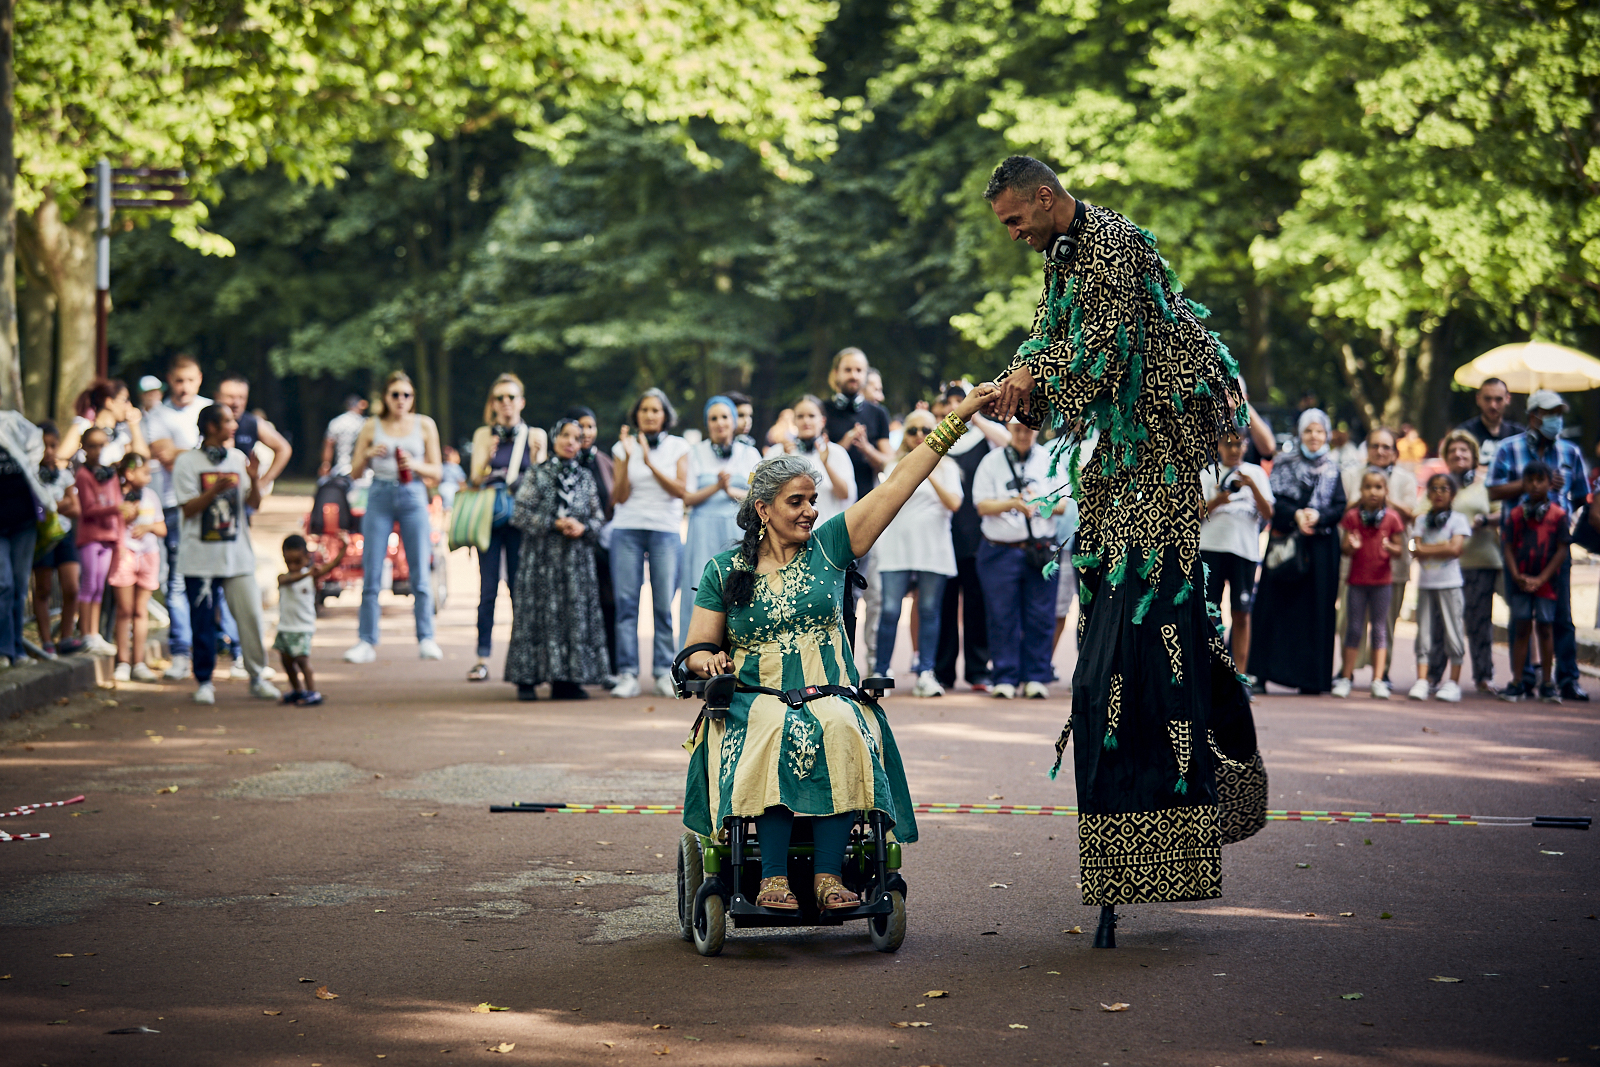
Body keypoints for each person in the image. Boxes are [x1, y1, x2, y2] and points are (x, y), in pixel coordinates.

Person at [983, 156, 1268, 945]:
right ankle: (1146, 844)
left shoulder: (1112, 243)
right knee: (1110, 651)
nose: (1013, 235)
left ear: (1045, 198)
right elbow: (1052, 336)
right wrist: (1016, 376)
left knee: (1148, 646)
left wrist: (1029, 395)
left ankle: (1210, 779)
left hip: (1163, 458)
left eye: (1014, 219)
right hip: (1117, 463)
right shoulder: (1064, 253)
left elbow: (1099, 356)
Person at [679, 384, 999, 912]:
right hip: (754, 696)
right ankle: (772, 879)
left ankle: (830, 877)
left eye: (813, 502)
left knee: (843, 725)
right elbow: (695, 648)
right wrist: (706, 658)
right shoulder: (723, 570)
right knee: (774, 728)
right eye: (796, 502)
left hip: (829, 691)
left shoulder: (830, 547)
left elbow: (897, 482)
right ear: (763, 509)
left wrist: (959, 417)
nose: (809, 512)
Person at [173, 404, 280, 704]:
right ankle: (204, 682)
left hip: (238, 557)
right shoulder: (187, 463)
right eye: (227, 421)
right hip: (200, 559)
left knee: (251, 618)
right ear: (210, 427)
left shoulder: (237, 459)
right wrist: (213, 492)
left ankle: (258, 676)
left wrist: (256, 477)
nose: (235, 425)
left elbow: (253, 505)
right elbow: (187, 508)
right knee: (203, 623)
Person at [1488, 389, 1588, 701]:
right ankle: (1523, 678)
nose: (1556, 420)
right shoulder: (1509, 448)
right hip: (1517, 545)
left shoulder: (1570, 453)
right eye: (1550, 414)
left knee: (1560, 615)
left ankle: (1566, 679)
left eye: (1560, 413)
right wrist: (1536, 482)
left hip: (1555, 546)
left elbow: (1583, 495)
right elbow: (1493, 491)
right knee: (1520, 617)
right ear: (1534, 417)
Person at [343, 371, 444, 663]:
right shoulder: (372, 426)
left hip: (413, 494)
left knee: (420, 573)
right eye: (395, 394)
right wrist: (368, 454)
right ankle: (366, 640)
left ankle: (426, 638)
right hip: (379, 494)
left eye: (406, 395)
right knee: (372, 570)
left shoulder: (424, 424)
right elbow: (354, 472)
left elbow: (437, 472)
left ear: (413, 398)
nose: (401, 400)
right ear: (386, 398)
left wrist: (414, 464)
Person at [505, 419, 609, 700]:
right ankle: (527, 679)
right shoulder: (537, 474)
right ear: (555, 439)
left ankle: (566, 680)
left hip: (575, 562)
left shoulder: (585, 478)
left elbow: (599, 517)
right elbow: (520, 514)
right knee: (535, 616)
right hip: (540, 560)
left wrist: (583, 527)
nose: (571, 442)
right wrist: (554, 522)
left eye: (577, 437)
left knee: (571, 618)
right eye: (565, 435)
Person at [1251, 409, 1348, 694]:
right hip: (1286, 544)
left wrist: (1317, 516)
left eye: (1319, 431)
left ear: (1327, 434)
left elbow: (1339, 506)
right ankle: (1262, 673)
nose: (1314, 436)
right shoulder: (1283, 463)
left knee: (1317, 612)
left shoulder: (1333, 467)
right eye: (1308, 431)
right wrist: (1295, 515)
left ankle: (1312, 679)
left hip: (1320, 550)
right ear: (1300, 434)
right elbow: (1273, 502)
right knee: (1273, 607)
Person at [872, 409, 963, 696]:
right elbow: (882, 503)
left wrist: (930, 470)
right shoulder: (892, 465)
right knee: (889, 610)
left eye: (926, 429)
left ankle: (926, 672)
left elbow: (954, 504)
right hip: (896, 546)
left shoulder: (948, 467)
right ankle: (881, 671)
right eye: (912, 430)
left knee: (929, 610)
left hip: (933, 547)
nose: (919, 436)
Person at [972, 417, 1064, 699]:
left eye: (1029, 429)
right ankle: (1005, 676)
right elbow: (981, 505)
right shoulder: (992, 461)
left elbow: (1062, 504)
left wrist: (1039, 503)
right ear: (1009, 430)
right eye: (1018, 429)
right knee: (1002, 615)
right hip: (1000, 550)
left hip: (1039, 550)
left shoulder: (1049, 459)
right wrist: (1012, 503)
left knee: (1041, 614)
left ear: (1037, 430)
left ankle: (1036, 675)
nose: (1024, 434)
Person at [609, 388, 690, 698]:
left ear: (665, 415)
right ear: (637, 415)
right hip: (627, 529)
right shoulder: (622, 446)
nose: (650, 415)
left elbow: (680, 490)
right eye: (644, 410)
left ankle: (662, 672)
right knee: (627, 604)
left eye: (656, 410)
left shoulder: (678, 447)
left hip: (665, 531)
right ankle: (627, 673)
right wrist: (630, 458)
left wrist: (649, 461)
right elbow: (619, 497)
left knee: (662, 605)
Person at [465, 373, 544, 682]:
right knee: (487, 590)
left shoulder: (535, 434)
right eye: (500, 398)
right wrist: (486, 455)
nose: (506, 403)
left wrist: (537, 456)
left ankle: (521, 656)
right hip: (489, 519)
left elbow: (541, 482)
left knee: (519, 590)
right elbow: (473, 480)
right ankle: (482, 657)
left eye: (511, 397)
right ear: (493, 404)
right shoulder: (484, 435)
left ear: (521, 402)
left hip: (521, 520)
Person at [933, 384, 1008, 693]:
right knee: (945, 604)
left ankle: (978, 669)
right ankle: (943, 671)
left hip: (977, 536)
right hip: (943, 536)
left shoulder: (984, 437)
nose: (955, 405)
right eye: (949, 402)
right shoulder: (939, 440)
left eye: (959, 400)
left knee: (977, 604)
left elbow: (1006, 442)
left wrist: (973, 416)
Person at [144, 354, 212, 681]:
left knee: (217, 577)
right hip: (174, 505)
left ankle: (220, 647)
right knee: (177, 580)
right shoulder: (157, 415)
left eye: (190, 380)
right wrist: (207, 454)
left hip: (212, 506)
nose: (184, 388)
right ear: (169, 380)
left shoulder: (211, 408)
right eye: (178, 381)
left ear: (199, 379)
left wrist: (186, 454)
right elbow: (168, 458)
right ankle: (181, 651)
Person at [679, 396, 762, 644]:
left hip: (737, 531)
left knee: (738, 591)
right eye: (713, 418)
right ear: (707, 423)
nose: (719, 423)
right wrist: (716, 486)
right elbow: (687, 497)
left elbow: (759, 494)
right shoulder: (694, 453)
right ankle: (693, 661)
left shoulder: (749, 454)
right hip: (702, 531)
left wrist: (730, 492)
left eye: (725, 417)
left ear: (734, 421)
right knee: (699, 590)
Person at [1340, 428, 1417, 680]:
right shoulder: (1351, 475)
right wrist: (1365, 496)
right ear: (1367, 448)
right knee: (1349, 621)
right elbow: (1342, 511)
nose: (1380, 451)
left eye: (1386, 447)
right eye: (1375, 446)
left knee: (1386, 624)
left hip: (1391, 563)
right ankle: (1347, 670)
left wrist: (1384, 496)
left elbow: (1410, 514)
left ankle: (1381, 673)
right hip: (1356, 563)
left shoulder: (1406, 479)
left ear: (1395, 452)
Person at [1428, 431, 1499, 693]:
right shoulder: (1438, 487)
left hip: (1480, 562)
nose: (1459, 455)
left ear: (1474, 456)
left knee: (1479, 622)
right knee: (1440, 621)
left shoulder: (1485, 485)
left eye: (1464, 451)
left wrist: (1484, 520)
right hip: (1444, 565)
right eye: (1453, 451)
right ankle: (1433, 675)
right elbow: (1418, 513)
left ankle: (1483, 676)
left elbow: (1502, 513)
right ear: (1446, 458)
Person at [1198, 431, 1274, 681]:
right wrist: (1219, 499)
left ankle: (1240, 675)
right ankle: (1211, 670)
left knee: (1241, 612)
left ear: (1246, 446)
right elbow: (1194, 514)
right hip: (1210, 549)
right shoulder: (1208, 473)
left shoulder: (1256, 473)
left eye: (1238, 444)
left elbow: (1269, 513)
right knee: (1210, 612)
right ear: (1217, 445)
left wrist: (1251, 485)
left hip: (1244, 552)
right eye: (1227, 444)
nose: (1233, 450)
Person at [1499, 461, 1569, 704]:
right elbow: (1506, 546)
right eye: (1530, 480)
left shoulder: (1559, 515)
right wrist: (1516, 574)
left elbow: (1562, 550)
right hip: (1520, 581)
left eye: (1541, 480)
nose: (1536, 485)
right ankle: (1518, 681)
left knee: (1546, 628)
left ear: (1550, 483)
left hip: (1547, 583)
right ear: (1524, 484)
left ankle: (1548, 683)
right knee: (1521, 628)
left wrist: (1542, 578)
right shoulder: (1516, 515)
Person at [1332, 471, 1404, 699]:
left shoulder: (1392, 518)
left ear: (1386, 492)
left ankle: (1378, 679)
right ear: (1361, 491)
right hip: (1356, 583)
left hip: (1382, 583)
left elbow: (1399, 549)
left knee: (1380, 630)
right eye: (1368, 487)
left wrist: (1389, 547)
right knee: (1353, 629)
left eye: (1378, 487)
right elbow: (1344, 549)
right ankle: (1346, 676)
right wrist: (1351, 545)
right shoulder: (1352, 517)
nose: (1373, 492)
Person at [1406, 474, 1471, 702]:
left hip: (1450, 584)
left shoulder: (1459, 520)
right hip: (1425, 585)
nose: (1439, 493)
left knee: (1453, 631)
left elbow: (1456, 549)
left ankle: (1452, 682)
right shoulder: (1421, 521)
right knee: (1423, 632)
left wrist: (1428, 549)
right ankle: (1422, 680)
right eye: (1434, 488)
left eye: (1444, 488)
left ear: (1452, 493)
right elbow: (1414, 549)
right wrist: (1443, 546)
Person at [569, 406, 618, 679]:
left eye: (590, 426)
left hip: (603, 546)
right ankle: (579, 669)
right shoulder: (564, 461)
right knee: (578, 606)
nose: (585, 432)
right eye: (579, 426)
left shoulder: (604, 461)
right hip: (573, 546)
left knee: (608, 604)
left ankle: (609, 666)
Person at [0, 410, 51, 670]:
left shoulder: (13, 423)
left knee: (19, 586)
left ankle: (16, 649)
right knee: (3, 584)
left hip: (23, 521)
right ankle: (4, 649)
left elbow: (36, 443)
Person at [108, 454, 165, 683]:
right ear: (129, 473)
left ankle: (138, 661)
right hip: (125, 555)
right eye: (145, 473)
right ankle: (123, 660)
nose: (149, 478)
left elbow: (162, 528)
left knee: (141, 611)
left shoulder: (151, 496)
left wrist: (148, 526)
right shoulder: (117, 496)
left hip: (149, 555)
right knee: (125, 609)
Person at [274, 533, 346, 706]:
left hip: (302, 627)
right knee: (286, 661)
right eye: (288, 562)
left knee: (302, 660)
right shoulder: (284, 577)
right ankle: (298, 690)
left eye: (297, 562)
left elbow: (331, 566)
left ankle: (312, 692)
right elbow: (288, 580)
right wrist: (306, 574)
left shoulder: (310, 576)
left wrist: (343, 549)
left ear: (307, 557)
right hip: (285, 627)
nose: (292, 566)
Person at [31, 421, 82, 658]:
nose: (49, 452)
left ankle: (66, 635)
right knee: (43, 589)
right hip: (42, 540)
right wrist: (60, 506)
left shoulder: (64, 475)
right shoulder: (31, 476)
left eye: (53, 446)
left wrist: (53, 507)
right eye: (44, 446)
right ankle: (46, 640)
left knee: (71, 587)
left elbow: (75, 508)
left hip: (65, 536)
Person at [73, 427, 125, 656]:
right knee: (88, 585)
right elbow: (89, 508)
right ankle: (86, 633)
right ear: (84, 447)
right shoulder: (83, 475)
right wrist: (116, 509)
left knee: (99, 588)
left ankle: (95, 633)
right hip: (90, 537)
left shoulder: (110, 474)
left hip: (109, 538)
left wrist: (120, 539)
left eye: (101, 445)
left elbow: (118, 502)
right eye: (92, 445)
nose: (97, 450)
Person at [766, 395, 856, 522]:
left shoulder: (837, 452)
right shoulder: (777, 452)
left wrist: (826, 464)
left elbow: (846, 496)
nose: (806, 421)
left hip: (827, 532)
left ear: (823, 421)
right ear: (794, 421)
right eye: (800, 416)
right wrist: (783, 461)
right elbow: (763, 492)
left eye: (811, 416)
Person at [215, 375, 294, 493]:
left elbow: (284, 449)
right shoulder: (201, 418)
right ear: (217, 397)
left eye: (242, 397)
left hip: (241, 494)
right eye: (230, 397)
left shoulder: (252, 423)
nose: (236, 403)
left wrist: (261, 484)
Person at [58, 378, 147, 467]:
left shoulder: (123, 434)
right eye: (125, 400)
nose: (129, 406)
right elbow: (60, 459)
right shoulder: (83, 426)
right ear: (109, 402)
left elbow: (142, 462)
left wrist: (134, 426)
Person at [1458, 377, 1524, 474]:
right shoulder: (1464, 433)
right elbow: (1456, 466)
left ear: (1508, 399)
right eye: (1487, 399)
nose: (1493, 405)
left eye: (1498, 399)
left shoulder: (1519, 434)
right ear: (1478, 399)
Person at [320, 394, 369, 479]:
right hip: (361, 470)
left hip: (341, 468)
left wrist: (326, 465)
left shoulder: (336, 422)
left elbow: (328, 445)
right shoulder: (365, 423)